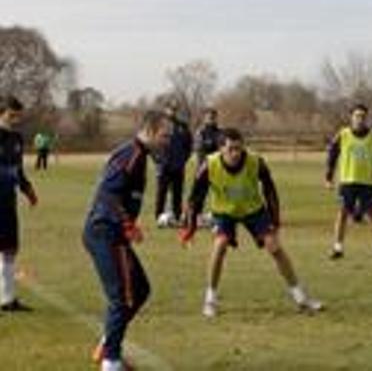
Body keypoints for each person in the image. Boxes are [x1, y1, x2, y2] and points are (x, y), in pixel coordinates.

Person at [180, 128, 322, 318]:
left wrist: (275, 220)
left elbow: (270, 190)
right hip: (224, 212)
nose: (235, 153)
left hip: (253, 210)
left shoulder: (255, 161)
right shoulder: (209, 164)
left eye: (239, 148)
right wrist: (190, 228)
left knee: (274, 247)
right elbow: (195, 198)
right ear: (221, 148)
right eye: (230, 149)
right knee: (220, 245)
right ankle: (210, 299)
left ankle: (300, 297)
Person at [84, 110, 170, 371]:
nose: (167, 141)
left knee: (140, 289)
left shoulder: (141, 156)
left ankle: (107, 344)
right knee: (122, 297)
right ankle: (111, 362)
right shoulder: (131, 154)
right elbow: (108, 193)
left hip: (114, 233)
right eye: (165, 135)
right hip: (105, 233)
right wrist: (128, 224)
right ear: (151, 131)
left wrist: (128, 224)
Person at [325, 104, 372, 259]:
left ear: (366, 118)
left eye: (362, 116)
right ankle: (338, 248)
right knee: (343, 213)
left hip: (368, 182)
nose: (360, 119)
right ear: (351, 117)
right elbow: (332, 156)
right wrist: (328, 177)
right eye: (357, 115)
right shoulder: (343, 134)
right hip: (348, 181)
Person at [0, 95, 39, 312]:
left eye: (17, 116)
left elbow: (18, 170)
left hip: (8, 201)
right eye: (11, 115)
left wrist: (27, 189)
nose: (15, 120)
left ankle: (7, 300)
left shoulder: (16, 139)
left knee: (9, 249)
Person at [154, 100, 192, 226]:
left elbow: (189, 145)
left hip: (178, 166)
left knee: (177, 193)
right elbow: (153, 144)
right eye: (170, 108)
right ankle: (158, 217)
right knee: (161, 193)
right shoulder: (158, 125)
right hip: (163, 166)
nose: (173, 111)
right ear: (165, 109)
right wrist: (158, 159)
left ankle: (177, 217)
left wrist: (183, 159)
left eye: (175, 109)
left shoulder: (183, 126)